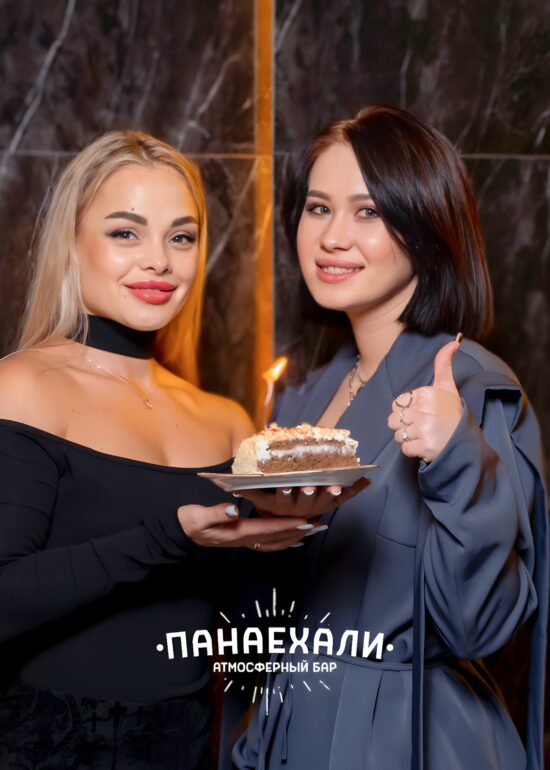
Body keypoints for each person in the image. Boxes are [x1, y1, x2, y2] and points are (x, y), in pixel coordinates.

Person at [0, 130, 361, 769]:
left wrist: (288, 531)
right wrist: (169, 537)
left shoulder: (225, 421)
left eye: (181, 237)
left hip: (185, 746)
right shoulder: (22, 385)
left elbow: (252, 641)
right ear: (72, 244)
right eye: (125, 232)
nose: (160, 261)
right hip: (42, 745)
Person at [233, 105, 548, 770]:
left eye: (369, 212)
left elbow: (481, 626)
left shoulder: (469, 386)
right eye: (318, 208)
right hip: (296, 723)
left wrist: (456, 455)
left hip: (407, 738)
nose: (332, 237)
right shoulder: (311, 391)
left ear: (426, 226)